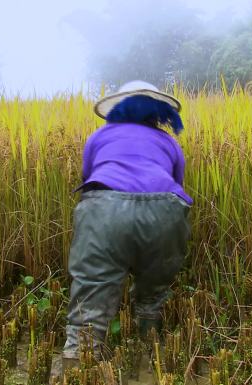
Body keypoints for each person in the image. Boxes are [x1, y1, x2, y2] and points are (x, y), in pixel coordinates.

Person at [62, 80, 192, 370]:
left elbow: (88, 177)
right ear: (157, 113)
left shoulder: (99, 136)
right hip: (164, 210)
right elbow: (177, 183)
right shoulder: (168, 141)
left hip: (104, 206)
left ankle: (77, 369)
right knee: (153, 293)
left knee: (91, 298)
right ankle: (149, 364)